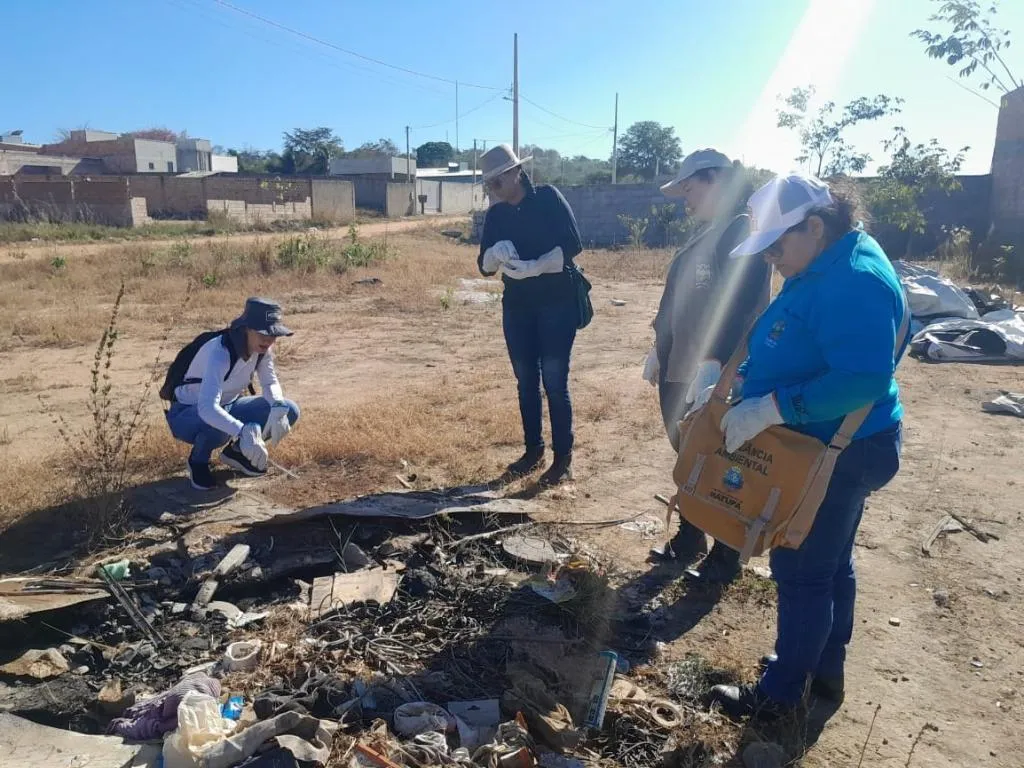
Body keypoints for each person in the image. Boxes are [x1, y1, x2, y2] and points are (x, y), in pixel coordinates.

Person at [705, 175, 908, 719]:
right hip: (836, 444)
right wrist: (745, 382)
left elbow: (863, 378)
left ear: (814, 225)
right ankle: (824, 675)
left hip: (840, 452)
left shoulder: (855, 279)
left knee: (800, 571)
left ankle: (779, 695)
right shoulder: (827, 257)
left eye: (777, 244)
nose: (772, 257)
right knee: (831, 566)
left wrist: (774, 408)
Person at [646, 149, 771, 580]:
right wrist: (659, 348)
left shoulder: (740, 233)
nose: (684, 198)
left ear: (716, 180)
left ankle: (725, 554)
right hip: (683, 365)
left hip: (714, 373)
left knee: (720, 460)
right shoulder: (706, 233)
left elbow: (742, 307)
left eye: (689, 187)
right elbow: (678, 300)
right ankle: (691, 534)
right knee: (690, 453)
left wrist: (719, 367)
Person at [477, 143, 584, 487]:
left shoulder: (548, 199)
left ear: (515, 173)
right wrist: (493, 254)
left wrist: (539, 266)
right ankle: (533, 451)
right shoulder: (496, 215)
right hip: (518, 307)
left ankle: (562, 458)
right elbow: (483, 268)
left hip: (557, 303)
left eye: (496, 183)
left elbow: (573, 245)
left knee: (554, 382)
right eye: (487, 186)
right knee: (525, 382)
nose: (492, 191)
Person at [164, 297, 301, 490]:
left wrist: (278, 406)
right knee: (219, 425)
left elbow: (269, 382)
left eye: (274, 334)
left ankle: (236, 453)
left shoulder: (263, 350)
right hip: (187, 415)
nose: (268, 339)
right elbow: (207, 408)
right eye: (263, 332)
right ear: (246, 328)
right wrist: (242, 430)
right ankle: (198, 461)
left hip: (228, 406)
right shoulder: (219, 351)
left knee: (289, 409)